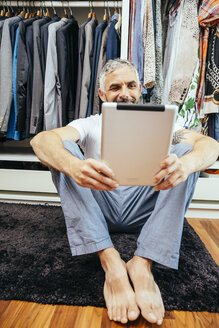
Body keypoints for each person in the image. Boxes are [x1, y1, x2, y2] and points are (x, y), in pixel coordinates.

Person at [31, 59, 219, 325]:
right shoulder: (88, 124)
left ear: (140, 89)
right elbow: (41, 140)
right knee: (61, 150)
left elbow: (208, 144)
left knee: (187, 153)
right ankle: (111, 262)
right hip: (99, 209)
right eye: (115, 86)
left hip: (145, 208)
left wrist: (186, 165)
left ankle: (143, 263)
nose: (124, 93)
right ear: (102, 94)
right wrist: (74, 166)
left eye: (131, 85)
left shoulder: (165, 125)